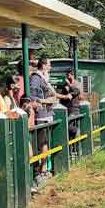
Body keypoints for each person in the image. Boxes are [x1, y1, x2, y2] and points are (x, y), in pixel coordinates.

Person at [29, 56, 69, 185]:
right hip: (40, 115)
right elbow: (32, 96)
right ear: (44, 65)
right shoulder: (36, 78)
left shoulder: (45, 79)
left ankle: (45, 168)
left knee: (46, 142)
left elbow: (52, 93)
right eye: (49, 65)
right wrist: (46, 101)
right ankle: (40, 171)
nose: (51, 67)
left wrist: (59, 97)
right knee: (41, 143)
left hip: (48, 113)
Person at [60, 69, 83, 139]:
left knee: (67, 123)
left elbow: (76, 92)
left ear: (72, 75)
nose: (67, 77)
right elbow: (63, 96)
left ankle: (76, 131)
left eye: (68, 75)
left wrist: (69, 86)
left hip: (74, 109)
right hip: (66, 108)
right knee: (64, 125)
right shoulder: (65, 85)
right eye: (66, 75)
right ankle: (71, 147)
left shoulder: (77, 84)